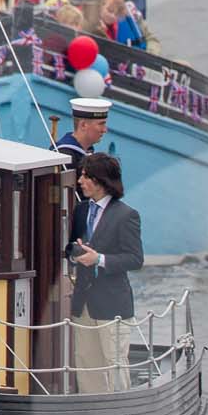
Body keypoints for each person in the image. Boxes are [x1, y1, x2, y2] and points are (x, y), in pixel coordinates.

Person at [66, 153, 142, 394]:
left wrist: (98, 259)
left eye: (85, 176)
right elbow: (73, 246)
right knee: (86, 364)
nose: (80, 181)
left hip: (112, 304)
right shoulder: (80, 211)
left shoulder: (126, 215)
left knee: (115, 365)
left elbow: (135, 259)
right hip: (83, 302)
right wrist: (74, 254)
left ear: (100, 180)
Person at [57, 96, 110, 164]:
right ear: (83, 125)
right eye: (101, 124)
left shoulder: (88, 152)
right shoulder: (65, 156)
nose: (105, 130)